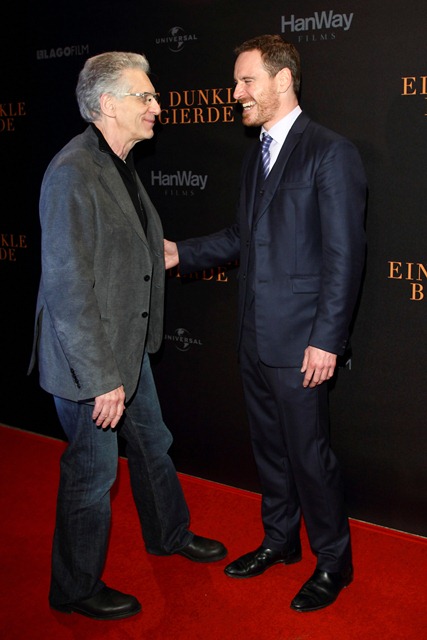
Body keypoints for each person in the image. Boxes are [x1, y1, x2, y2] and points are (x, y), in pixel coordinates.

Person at [164, 34, 367, 613]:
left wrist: (326, 339)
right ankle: (280, 541)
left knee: (309, 455)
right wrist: (181, 252)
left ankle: (334, 562)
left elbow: (345, 256)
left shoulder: (330, 152)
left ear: (283, 80)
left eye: (246, 81)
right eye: (236, 82)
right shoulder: (258, 153)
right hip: (254, 335)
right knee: (271, 451)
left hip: (302, 341)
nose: (236, 93)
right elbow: (243, 237)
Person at [28, 51, 227, 621]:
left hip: (126, 346)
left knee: (152, 444)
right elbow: (68, 288)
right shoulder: (73, 172)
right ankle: (74, 587)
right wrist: (100, 380)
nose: (157, 106)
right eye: (146, 96)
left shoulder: (116, 163)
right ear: (108, 104)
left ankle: (168, 534)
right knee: (92, 474)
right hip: (88, 361)